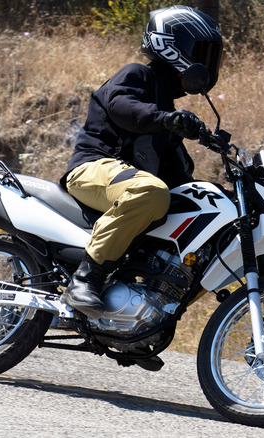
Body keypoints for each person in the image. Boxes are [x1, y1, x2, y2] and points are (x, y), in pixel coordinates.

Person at [59, 5, 223, 319]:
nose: (207, 63)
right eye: (201, 52)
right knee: (151, 192)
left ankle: (145, 316)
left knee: (192, 208)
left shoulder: (167, 111)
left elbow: (181, 178)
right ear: (174, 45)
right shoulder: (138, 75)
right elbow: (124, 107)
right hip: (93, 167)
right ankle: (85, 278)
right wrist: (167, 119)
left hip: (127, 185)